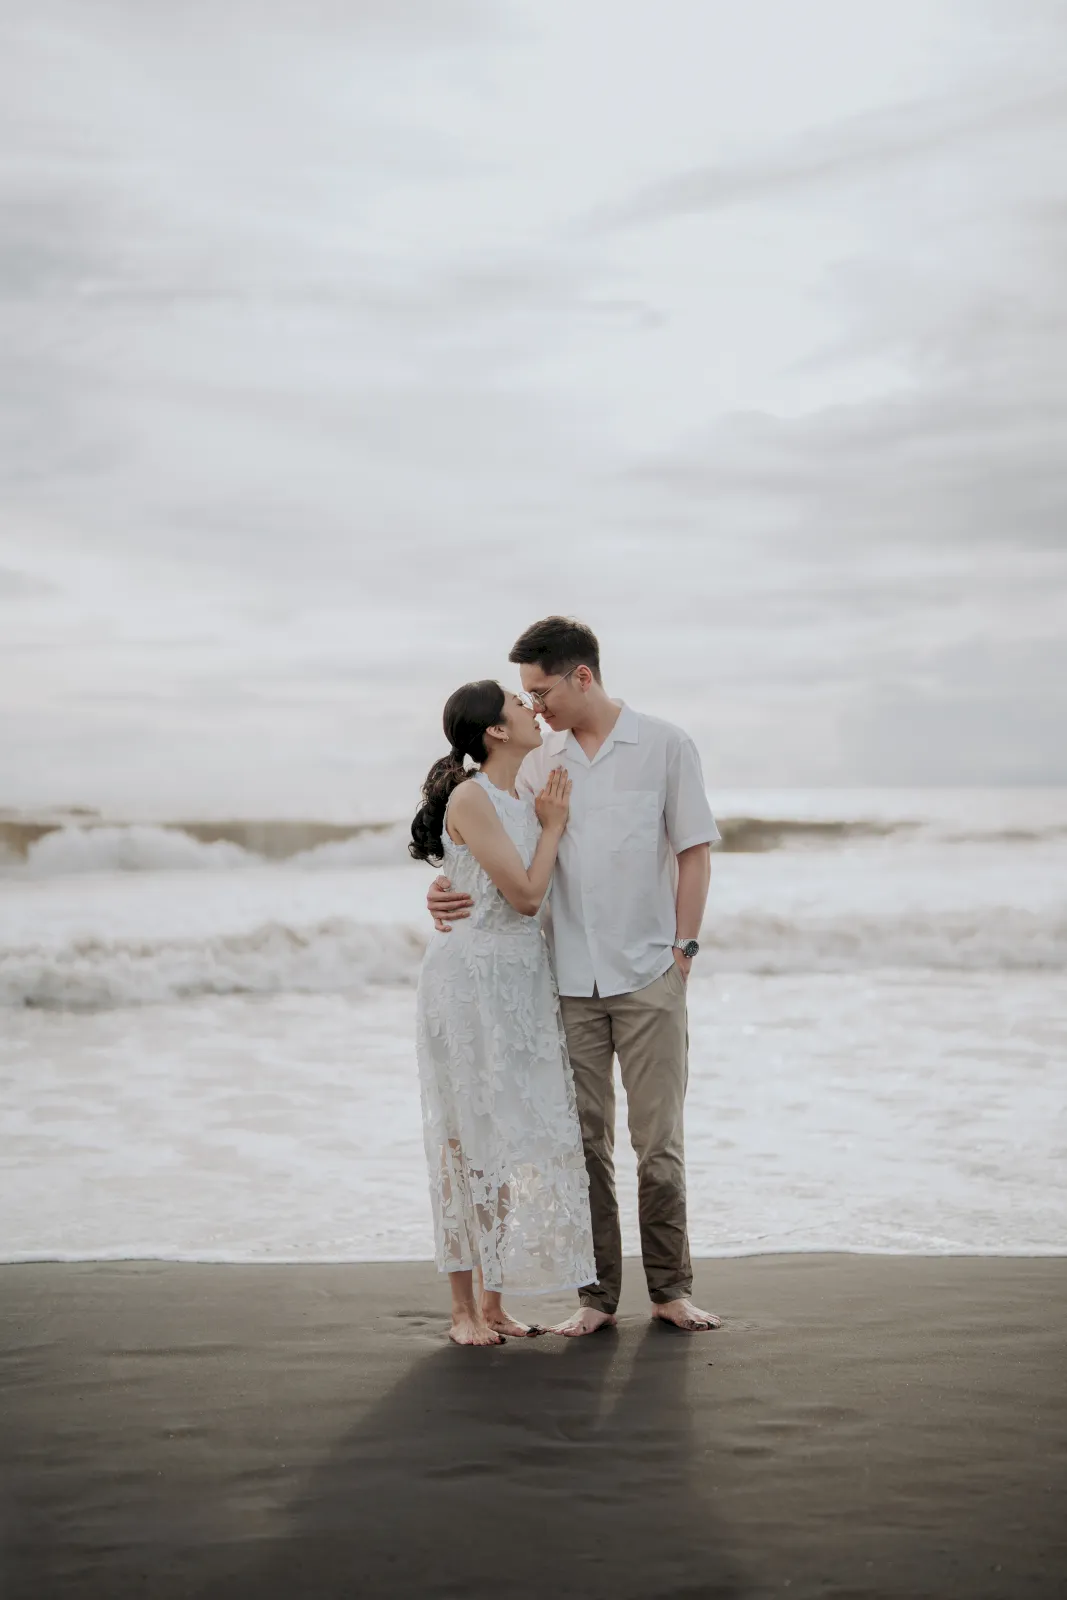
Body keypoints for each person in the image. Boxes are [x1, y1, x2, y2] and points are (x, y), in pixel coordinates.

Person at [429, 618, 722, 1336]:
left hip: (649, 972)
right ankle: (596, 1299)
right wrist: (443, 890)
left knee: (659, 1144)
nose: (534, 706)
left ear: (581, 676)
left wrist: (683, 949)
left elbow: (693, 850)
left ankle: (670, 1290)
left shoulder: (664, 745)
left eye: (541, 691)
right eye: (524, 697)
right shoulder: (537, 760)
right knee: (583, 1147)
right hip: (562, 983)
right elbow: (494, 849)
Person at [410, 679, 597, 1347]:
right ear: (494, 730)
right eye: (517, 705)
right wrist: (553, 829)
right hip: (470, 980)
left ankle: (495, 1304)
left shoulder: (521, 795)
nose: (529, 709)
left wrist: (544, 823)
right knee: (464, 1141)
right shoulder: (471, 795)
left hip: (520, 979)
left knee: (508, 1135)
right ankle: (462, 1310)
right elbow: (523, 896)